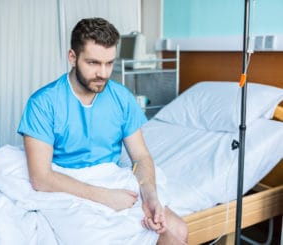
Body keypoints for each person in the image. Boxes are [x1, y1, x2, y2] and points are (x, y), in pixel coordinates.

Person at [18, 17, 187, 244]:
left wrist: (150, 196)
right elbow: (41, 178)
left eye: (109, 63)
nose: (103, 73)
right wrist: (104, 197)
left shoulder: (121, 98)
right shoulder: (43, 103)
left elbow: (141, 156)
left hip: (108, 177)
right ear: (72, 57)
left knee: (178, 228)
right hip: (66, 183)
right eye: (93, 63)